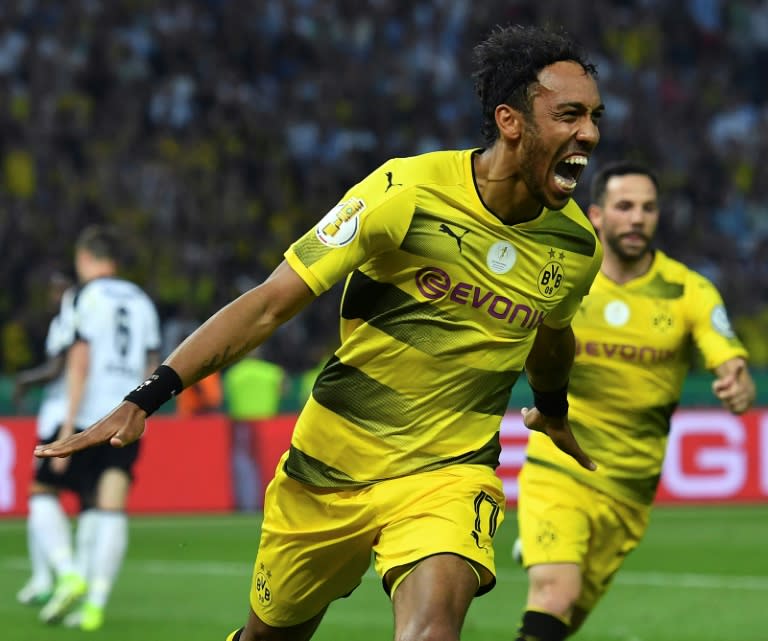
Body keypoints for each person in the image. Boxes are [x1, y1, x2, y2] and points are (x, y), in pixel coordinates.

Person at [36, 24, 605, 641]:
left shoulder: (575, 246)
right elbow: (268, 305)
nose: (590, 134)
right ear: (510, 120)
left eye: (595, 117)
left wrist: (551, 406)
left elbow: (553, 331)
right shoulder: (406, 192)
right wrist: (147, 395)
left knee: (432, 631)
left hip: (449, 469)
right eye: (569, 115)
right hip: (328, 468)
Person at [512, 160, 757, 641]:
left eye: (647, 208)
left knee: (563, 620)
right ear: (598, 216)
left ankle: (548, 553)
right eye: (624, 207)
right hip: (558, 465)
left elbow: (727, 357)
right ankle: (547, 551)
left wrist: (738, 383)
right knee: (553, 594)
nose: (637, 218)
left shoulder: (689, 290)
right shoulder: (563, 280)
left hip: (631, 489)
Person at [35, 225, 162, 631]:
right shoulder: (142, 301)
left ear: (86, 258)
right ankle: (95, 604)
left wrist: (67, 427)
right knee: (107, 506)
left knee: (42, 491)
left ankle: (68, 572)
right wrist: (141, 413)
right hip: (126, 414)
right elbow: (152, 364)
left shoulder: (84, 296)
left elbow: (80, 358)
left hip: (88, 415)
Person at [13, 270, 76, 607]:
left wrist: (24, 379)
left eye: (59, 288)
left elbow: (57, 368)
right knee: (39, 495)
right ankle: (42, 576)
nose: (55, 295)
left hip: (64, 417)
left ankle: (66, 574)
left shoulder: (71, 317)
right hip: (62, 413)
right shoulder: (68, 319)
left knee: (41, 494)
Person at [222, 347, 286, 511]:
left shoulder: (233, 374)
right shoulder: (273, 372)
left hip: (242, 423)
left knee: (243, 464)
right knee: (273, 464)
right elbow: (284, 391)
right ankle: (273, 503)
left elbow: (225, 397)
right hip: (269, 424)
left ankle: (246, 504)